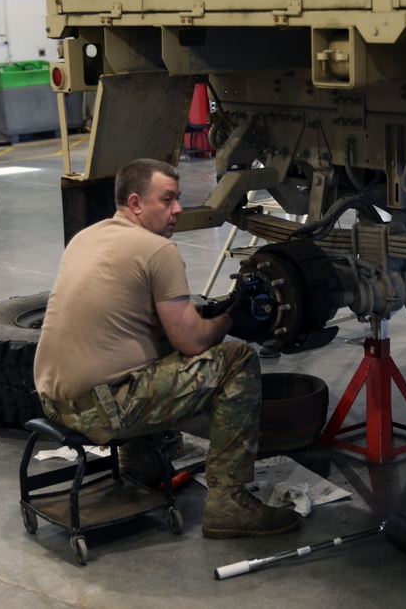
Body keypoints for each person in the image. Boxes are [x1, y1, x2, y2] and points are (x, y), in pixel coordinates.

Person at [33, 158, 300, 539]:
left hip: (54, 403)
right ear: (137, 203)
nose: (177, 209)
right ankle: (228, 503)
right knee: (237, 361)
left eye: (177, 199)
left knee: (150, 351)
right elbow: (190, 341)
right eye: (168, 199)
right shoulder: (158, 251)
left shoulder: (87, 236)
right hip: (102, 413)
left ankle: (140, 467)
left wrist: (210, 315)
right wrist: (230, 319)